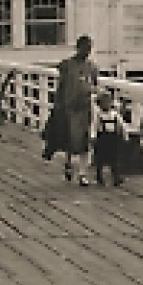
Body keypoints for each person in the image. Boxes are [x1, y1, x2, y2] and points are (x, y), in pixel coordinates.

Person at [47, 35, 99, 184]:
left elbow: (95, 85)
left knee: (85, 140)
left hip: (85, 107)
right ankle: (68, 163)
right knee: (70, 139)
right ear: (78, 47)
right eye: (85, 48)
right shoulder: (67, 65)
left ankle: (83, 173)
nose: (87, 51)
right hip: (69, 107)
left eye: (89, 48)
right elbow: (61, 86)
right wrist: (58, 104)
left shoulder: (92, 67)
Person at [91, 91, 125, 187]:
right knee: (100, 158)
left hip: (113, 137)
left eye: (108, 102)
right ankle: (99, 175)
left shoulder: (114, 114)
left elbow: (121, 124)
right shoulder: (98, 115)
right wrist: (93, 136)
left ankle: (116, 176)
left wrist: (124, 134)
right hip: (102, 137)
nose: (107, 104)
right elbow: (94, 125)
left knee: (114, 158)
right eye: (104, 102)